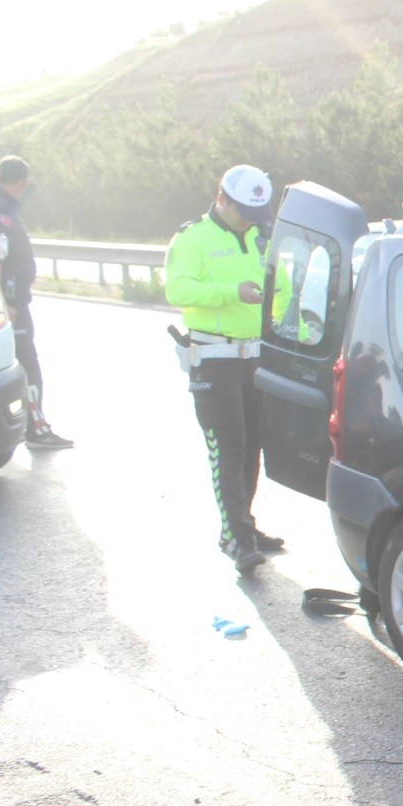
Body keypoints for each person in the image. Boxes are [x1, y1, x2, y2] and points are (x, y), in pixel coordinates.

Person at [165, 165, 284, 573]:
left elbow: (280, 291)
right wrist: (232, 293)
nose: (250, 220)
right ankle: (234, 535)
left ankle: (244, 525)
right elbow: (177, 289)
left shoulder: (259, 237)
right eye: (243, 212)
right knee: (228, 447)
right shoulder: (192, 237)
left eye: (257, 213)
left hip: (255, 359)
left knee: (253, 447)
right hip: (213, 359)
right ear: (221, 200)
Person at [0, 156, 73, 448]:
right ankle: (36, 429)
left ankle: (15, 429)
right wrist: (8, 303)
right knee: (27, 365)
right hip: (7, 307)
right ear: (24, 183)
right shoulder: (0, 211)